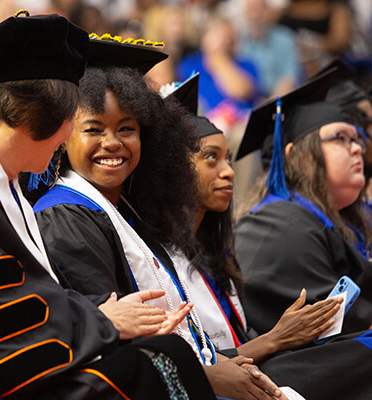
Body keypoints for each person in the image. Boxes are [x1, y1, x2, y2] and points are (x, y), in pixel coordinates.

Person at [0, 12, 215, 400]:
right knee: (155, 365)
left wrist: (102, 319)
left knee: (165, 353)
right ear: (42, 116)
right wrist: (103, 322)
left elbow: (21, 304)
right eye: (75, 121)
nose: (67, 137)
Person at [34, 39, 289, 400]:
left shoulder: (125, 210)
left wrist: (222, 363)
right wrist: (204, 376)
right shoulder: (66, 216)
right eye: (93, 130)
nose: (112, 143)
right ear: (63, 138)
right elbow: (108, 342)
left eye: (126, 129)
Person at [133, 76, 372, 400]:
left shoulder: (210, 253)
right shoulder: (152, 256)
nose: (230, 171)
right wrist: (275, 338)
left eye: (229, 159)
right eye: (211, 158)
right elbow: (185, 365)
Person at [234, 68, 372, 337]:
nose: (356, 148)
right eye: (340, 138)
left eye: (357, 140)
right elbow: (332, 324)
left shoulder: (333, 221)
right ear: (298, 156)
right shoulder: (278, 223)